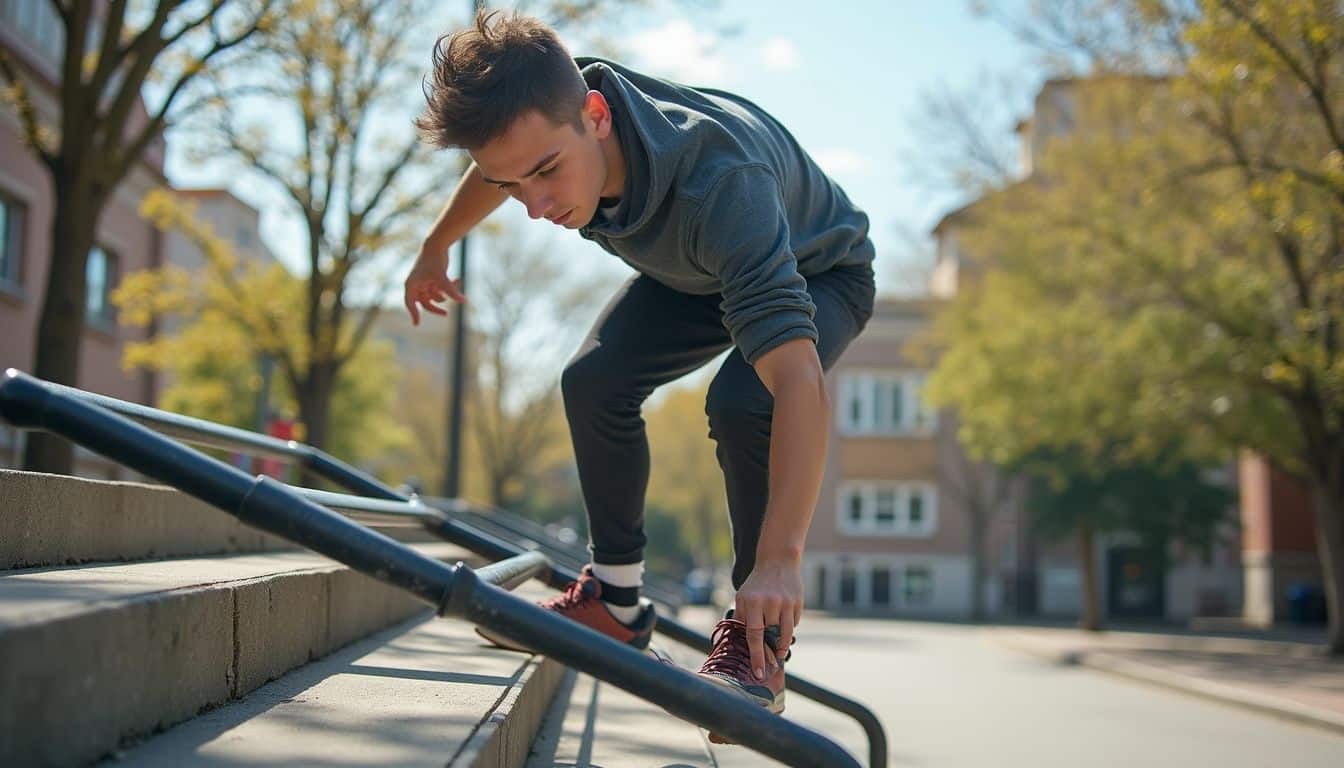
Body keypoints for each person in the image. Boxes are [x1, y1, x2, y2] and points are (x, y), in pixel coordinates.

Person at [404, 10, 875, 726]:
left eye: (545, 174)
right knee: (593, 381)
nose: (535, 207)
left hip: (819, 269)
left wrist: (781, 558)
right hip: (695, 274)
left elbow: (800, 386)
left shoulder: (722, 186)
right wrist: (437, 243)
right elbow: (494, 164)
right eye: (513, 187)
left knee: (745, 400)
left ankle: (760, 652)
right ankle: (616, 602)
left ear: (595, 117)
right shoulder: (555, 112)